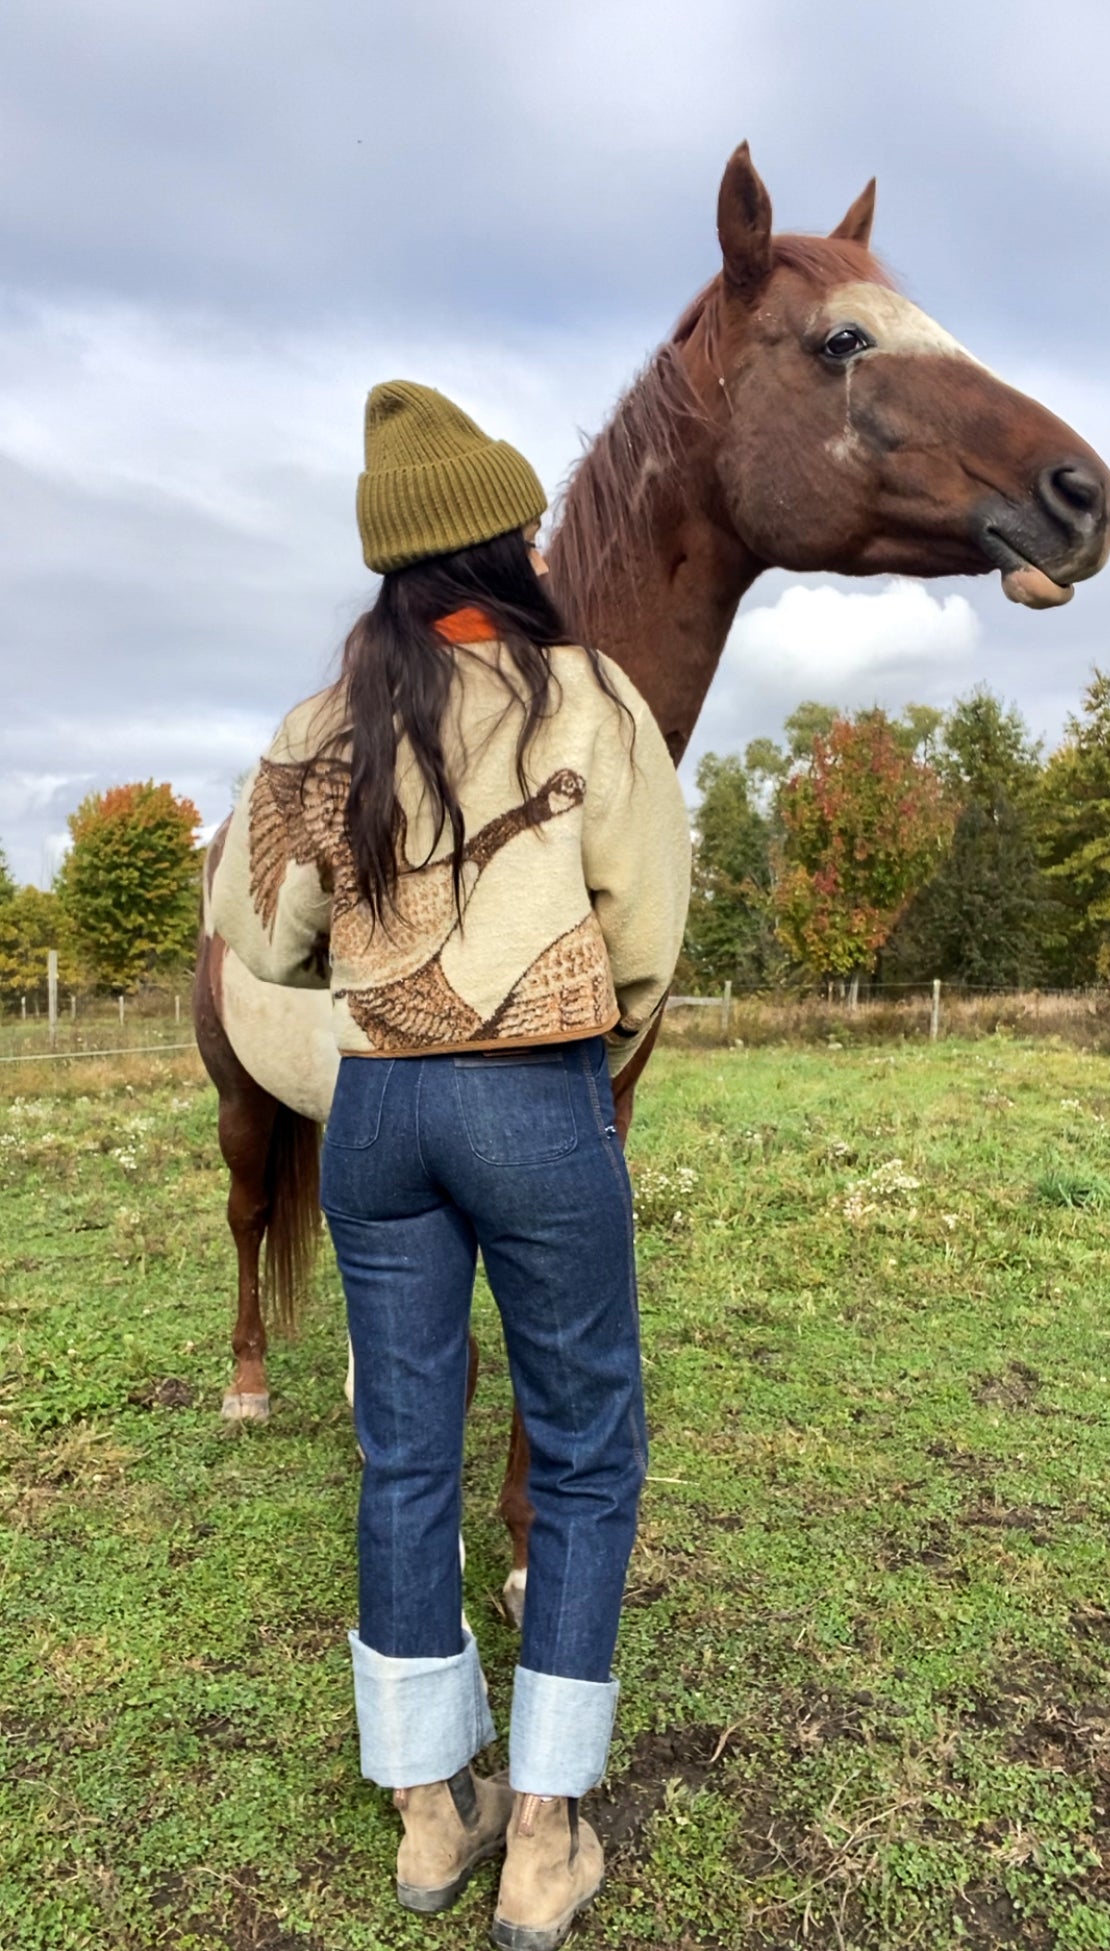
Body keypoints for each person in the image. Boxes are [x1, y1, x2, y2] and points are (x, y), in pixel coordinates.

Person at [211, 380, 691, 1950]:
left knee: (407, 1453)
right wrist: (562, 1013)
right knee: (584, 1449)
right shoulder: (584, 696)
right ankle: (544, 1835)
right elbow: (646, 931)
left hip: (377, 1116)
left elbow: (259, 936)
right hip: (532, 1099)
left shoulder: (325, 721)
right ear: (509, 537)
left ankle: (431, 1813)